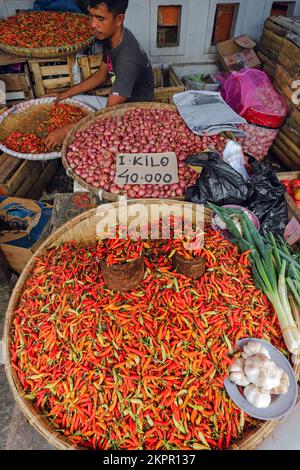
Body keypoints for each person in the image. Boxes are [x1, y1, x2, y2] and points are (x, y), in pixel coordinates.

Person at [45, 0, 154, 150]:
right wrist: (65, 93)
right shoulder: (113, 37)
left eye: (100, 18)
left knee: (83, 143)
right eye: (91, 16)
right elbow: (101, 75)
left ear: (119, 19)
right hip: (116, 102)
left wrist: (66, 130)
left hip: (132, 114)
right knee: (66, 101)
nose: (93, 24)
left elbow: (107, 115)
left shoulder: (128, 61)